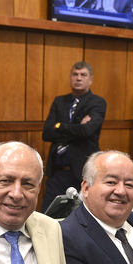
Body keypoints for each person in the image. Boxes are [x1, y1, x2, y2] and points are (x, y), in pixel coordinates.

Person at [41, 61, 107, 212]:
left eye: (83, 75)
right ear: (70, 78)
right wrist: (77, 127)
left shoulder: (97, 102)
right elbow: (47, 133)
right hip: (57, 171)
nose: (78, 78)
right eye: (75, 75)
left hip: (81, 173)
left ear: (90, 79)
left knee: (81, 215)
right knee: (47, 213)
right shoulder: (59, 101)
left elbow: (86, 131)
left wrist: (60, 126)